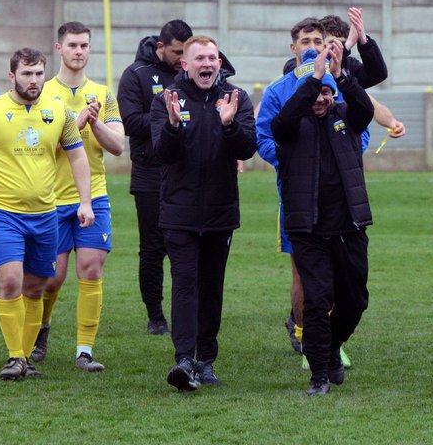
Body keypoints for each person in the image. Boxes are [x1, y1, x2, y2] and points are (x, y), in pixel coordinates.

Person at [0, 47, 95, 381]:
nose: (34, 80)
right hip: (3, 213)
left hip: (46, 214)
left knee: (36, 288)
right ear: (12, 76)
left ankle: (23, 357)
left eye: (38, 73)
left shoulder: (59, 112)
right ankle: (15, 355)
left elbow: (78, 158)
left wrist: (85, 202)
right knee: (9, 281)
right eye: (27, 74)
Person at [151, 35, 257, 392]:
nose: (207, 64)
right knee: (184, 284)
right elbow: (161, 154)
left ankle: (206, 361)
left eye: (212, 58)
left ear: (219, 62)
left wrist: (229, 124)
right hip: (178, 212)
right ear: (185, 64)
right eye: (199, 58)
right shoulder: (167, 101)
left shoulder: (236, 99)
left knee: (211, 287)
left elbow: (247, 147)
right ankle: (184, 359)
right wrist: (172, 125)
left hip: (220, 212)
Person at [271, 43, 375, 395]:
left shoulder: (347, 119)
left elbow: (365, 106)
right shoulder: (290, 127)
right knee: (316, 302)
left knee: (355, 301)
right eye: (316, 92)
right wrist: (314, 77)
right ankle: (318, 375)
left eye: (327, 92)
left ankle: (330, 348)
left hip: (349, 227)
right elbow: (282, 119)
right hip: (308, 229)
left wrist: (340, 74)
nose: (321, 98)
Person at [32, 22, 125, 372]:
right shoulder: (43, 93)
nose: (79, 51)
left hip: (94, 197)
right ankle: (41, 327)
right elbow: (37, 146)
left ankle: (84, 351)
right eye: (72, 45)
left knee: (91, 270)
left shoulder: (102, 93)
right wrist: (73, 126)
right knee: (52, 278)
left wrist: (95, 122)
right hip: (51, 198)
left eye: (85, 45)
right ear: (59, 49)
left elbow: (117, 146)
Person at [116, 19, 192, 335]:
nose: (182, 58)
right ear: (160, 47)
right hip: (149, 174)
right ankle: (156, 316)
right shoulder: (136, 75)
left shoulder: (194, 72)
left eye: (186, 52)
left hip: (187, 173)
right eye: (177, 52)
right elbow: (131, 122)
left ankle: (187, 311)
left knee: (187, 246)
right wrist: (169, 117)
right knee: (152, 248)